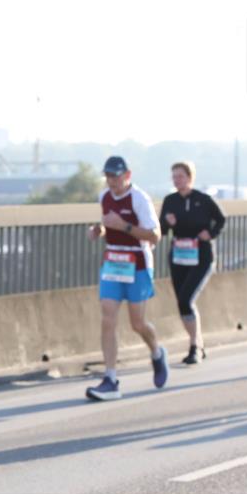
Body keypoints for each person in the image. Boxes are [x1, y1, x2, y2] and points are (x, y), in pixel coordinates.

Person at [86, 156, 168, 401]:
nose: (112, 181)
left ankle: (156, 352)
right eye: (108, 176)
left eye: (116, 176)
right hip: (113, 263)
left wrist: (124, 226)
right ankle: (110, 379)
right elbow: (107, 226)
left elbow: (155, 236)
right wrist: (98, 230)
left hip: (138, 264)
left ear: (127, 175)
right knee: (107, 317)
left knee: (137, 324)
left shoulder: (139, 199)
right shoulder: (104, 197)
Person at [159, 161, 226, 364]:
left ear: (189, 177)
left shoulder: (203, 200)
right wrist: (166, 223)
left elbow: (221, 219)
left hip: (201, 255)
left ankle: (195, 347)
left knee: (187, 299)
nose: (177, 180)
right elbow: (161, 231)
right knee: (182, 302)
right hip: (179, 255)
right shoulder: (170, 201)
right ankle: (197, 343)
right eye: (174, 176)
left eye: (180, 176)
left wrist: (211, 233)